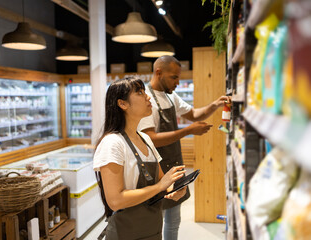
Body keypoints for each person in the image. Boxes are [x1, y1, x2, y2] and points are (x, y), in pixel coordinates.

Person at [138, 55, 231, 240]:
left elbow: (194, 114)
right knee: (156, 222)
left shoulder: (170, 97)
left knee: (174, 220)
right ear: (158, 73)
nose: (178, 82)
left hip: (174, 165)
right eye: (174, 77)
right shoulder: (146, 100)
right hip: (155, 170)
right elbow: (151, 139)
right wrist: (186, 131)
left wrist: (216, 104)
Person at [93, 77, 187, 240]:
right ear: (123, 104)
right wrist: (160, 187)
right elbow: (115, 200)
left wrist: (175, 189)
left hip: (153, 231)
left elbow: (162, 182)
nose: (148, 97)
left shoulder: (145, 138)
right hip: (125, 234)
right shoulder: (113, 143)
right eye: (140, 92)